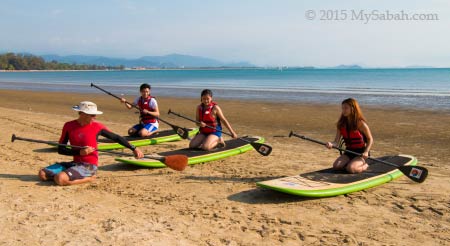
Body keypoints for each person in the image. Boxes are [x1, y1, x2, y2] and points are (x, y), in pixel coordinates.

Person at [38, 101, 144, 186]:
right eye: (92, 115)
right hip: (75, 163)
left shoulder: (98, 127)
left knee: (59, 178)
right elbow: (61, 149)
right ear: (82, 114)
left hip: (89, 166)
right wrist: (80, 152)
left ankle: (89, 178)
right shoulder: (68, 126)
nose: (95, 117)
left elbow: (116, 138)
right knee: (42, 174)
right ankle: (71, 174)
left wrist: (134, 148)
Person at [325, 98, 373, 173]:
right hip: (349, 151)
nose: (343, 110)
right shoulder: (341, 124)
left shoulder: (361, 124)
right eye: (342, 108)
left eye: (346, 108)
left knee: (351, 169)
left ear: (353, 109)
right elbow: (336, 142)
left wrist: (366, 151)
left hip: (361, 153)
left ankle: (365, 165)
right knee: (336, 166)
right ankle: (352, 162)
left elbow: (370, 139)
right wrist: (331, 144)